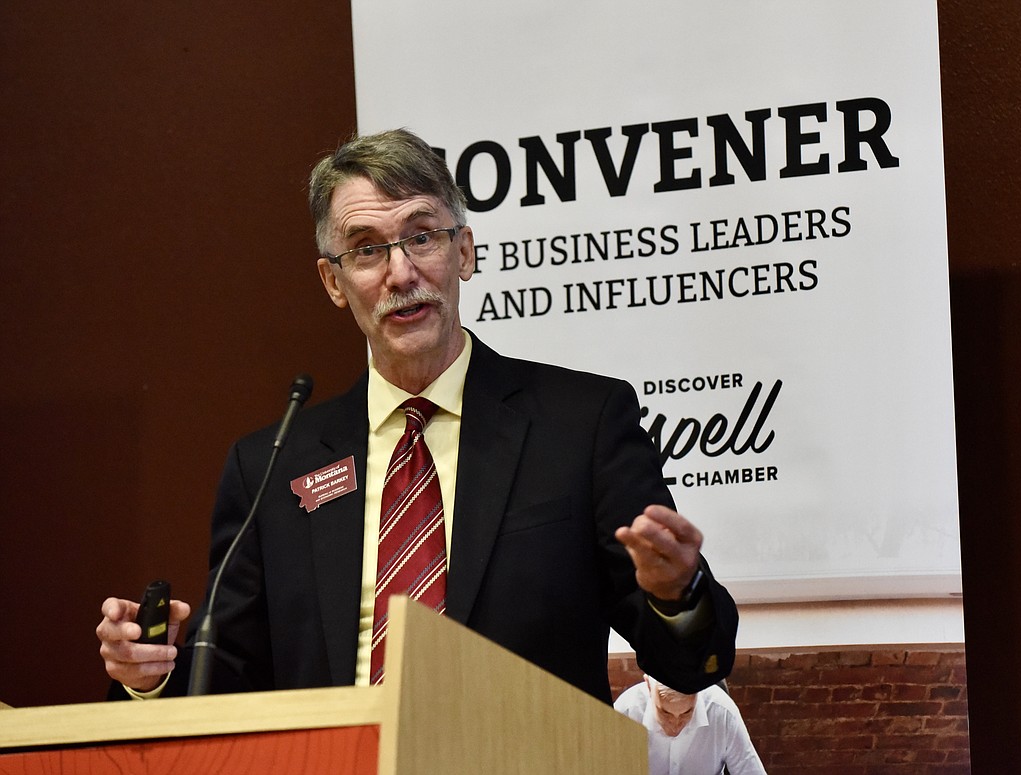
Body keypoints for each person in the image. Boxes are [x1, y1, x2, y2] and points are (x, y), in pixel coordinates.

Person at [96, 128, 738, 706]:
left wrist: (674, 595)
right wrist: (148, 674)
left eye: (422, 236)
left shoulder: (581, 425)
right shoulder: (275, 466)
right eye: (368, 250)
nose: (401, 273)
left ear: (463, 252)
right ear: (332, 281)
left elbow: (690, 665)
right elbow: (227, 681)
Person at [615, 676, 766, 775]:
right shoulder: (624, 713)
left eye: (687, 713)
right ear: (648, 685)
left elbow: (750, 771)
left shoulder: (722, 712)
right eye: (665, 713)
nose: (675, 726)